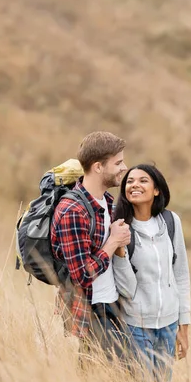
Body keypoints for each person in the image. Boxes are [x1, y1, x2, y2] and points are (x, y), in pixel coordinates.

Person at [50, 131, 131, 362]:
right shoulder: (73, 211)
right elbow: (82, 275)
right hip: (90, 312)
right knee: (96, 380)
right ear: (97, 167)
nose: (124, 167)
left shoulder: (106, 201)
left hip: (112, 305)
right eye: (118, 163)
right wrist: (113, 241)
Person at [113, 164, 191, 382]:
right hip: (136, 327)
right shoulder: (121, 227)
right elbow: (126, 289)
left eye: (142, 180)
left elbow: (181, 275)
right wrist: (119, 250)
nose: (134, 185)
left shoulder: (170, 222)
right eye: (129, 181)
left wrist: (183, 327)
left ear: (157, 190)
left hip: (168, 325)